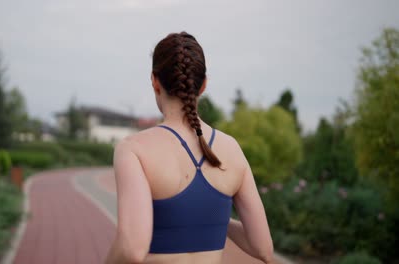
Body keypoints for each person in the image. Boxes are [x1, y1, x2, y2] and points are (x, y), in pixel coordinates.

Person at [105, 32, 273, 264]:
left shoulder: (133, 149)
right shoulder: (231, 149)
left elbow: (132, 249)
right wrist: (213, 220)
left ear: (155, 81)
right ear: (203, 85)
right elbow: (263, 248)